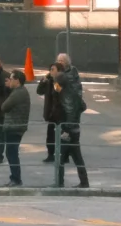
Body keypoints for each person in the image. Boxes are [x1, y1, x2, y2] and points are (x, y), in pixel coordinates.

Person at [51, 56, 89, 188]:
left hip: (68, 131)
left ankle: (59, 182)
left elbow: (70, 113)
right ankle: (84, 182)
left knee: (60, 156)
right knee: (77, 157)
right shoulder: (72, 92)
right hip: (75, 129)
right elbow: (83, 106)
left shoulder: (65, 96)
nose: (54, 86)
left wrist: (66, 129)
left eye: (55, 83)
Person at [0, 69, 31, 188]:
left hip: (14, 126)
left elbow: (4, 106)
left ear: (17, 81)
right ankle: (15, 178)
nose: (9, 81)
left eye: (11, 79)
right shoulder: (19, 91)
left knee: (11, 153)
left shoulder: (18, 93)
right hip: (16, 125)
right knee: (11, 152)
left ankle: (16, 179)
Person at [37, 53, 68, 162]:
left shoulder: (64, 81)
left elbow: (64, 95)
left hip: (61, 113)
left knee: (63, 136)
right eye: (50, 69)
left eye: (53, 69)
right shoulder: (49, 81)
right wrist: (43, 81)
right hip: (51, 113)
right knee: (50, 136)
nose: (51, 71)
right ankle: (51, 154)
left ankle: (65, 155)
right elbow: (39, 91)